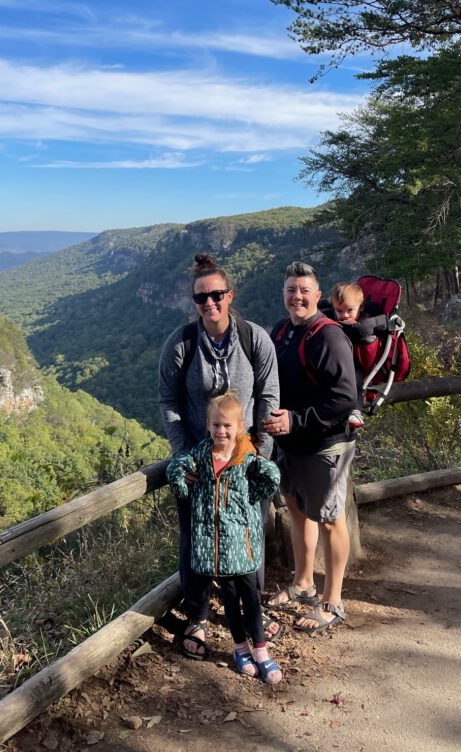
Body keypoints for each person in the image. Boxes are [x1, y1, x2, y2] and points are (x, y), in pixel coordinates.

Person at [158, 253, 280, 658]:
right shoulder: (182, 343)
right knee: (196, 539)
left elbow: (268, 396)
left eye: (217, 295)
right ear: (194, 302)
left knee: (249, 535)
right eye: (201, 298)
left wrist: (258, 456)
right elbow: (169, 401)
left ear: (230, 295)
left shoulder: (254, 338)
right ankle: (199, 618)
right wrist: (184, 458)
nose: (209, 303)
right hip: (200, 464)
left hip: (244, 460)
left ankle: (252, 615)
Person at [262, 261, 359, 633]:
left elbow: (344, 399)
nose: (296, 296)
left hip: (325, 445)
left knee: (331, 519)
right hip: (292, 444)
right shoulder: (283, 330)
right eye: (290, 289)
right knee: (298, 511)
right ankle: (303, 583)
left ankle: (333, 600)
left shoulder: (329, 336)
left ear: (318, 296)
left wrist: (296, 420)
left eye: (304, 290)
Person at [166, 392, 282, 683]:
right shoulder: (201, 456)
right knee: (230, 601)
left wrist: (247, 502)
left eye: (228, 426)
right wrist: (182, 486)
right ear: (208, 425)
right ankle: (240, 649)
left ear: (240, 426)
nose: (221, 431)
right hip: (218, 548)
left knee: (252, 599)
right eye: (216, 425)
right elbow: (176, 469)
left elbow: (271, 477)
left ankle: (261, 652)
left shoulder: (246, 456)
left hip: (241, 543)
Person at [326, 281, 377, 432]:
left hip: (357, 362)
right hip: (335, 360)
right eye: (340, 311)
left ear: (360, 308)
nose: (345, 316)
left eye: (350, 310)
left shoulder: (364, 320)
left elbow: (365, 330)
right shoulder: (334, 316)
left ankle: (356, 411)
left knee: (355, 374)